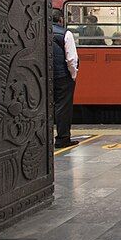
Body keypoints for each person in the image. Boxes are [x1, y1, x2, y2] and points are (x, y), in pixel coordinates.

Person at [52, 9, 79, 148]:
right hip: (62, 76)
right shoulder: (65, 33)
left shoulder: (38, 32)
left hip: (42, 78)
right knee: (63, 108)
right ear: (61, 19)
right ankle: (63, 139)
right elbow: (71, 59)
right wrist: (73, 76)